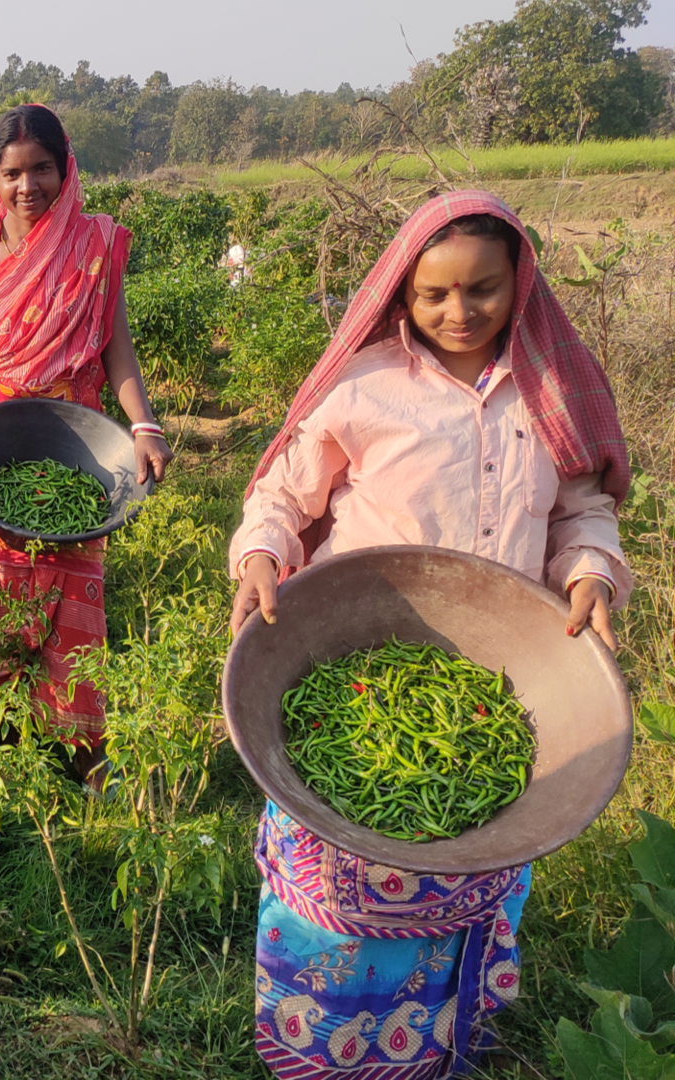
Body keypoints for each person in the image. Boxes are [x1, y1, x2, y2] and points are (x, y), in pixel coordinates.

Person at [228, 191, 629, 1079]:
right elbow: (282, 497)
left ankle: (439, 1049)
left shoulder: (550, 390)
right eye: (433, 295)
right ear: (401, 296)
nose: (459, 312)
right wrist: (262, 556)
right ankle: (320, 1053)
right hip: (360, 661)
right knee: (341, 854)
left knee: (469, 848)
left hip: (492, 682)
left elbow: (583, 511)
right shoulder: (365, 384)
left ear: (518, 282)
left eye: (481, 288)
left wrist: (591, 572)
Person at [0, 104, 173, 778]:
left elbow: (117, 352)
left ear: (65, 171)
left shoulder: (95, 247)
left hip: (72, 442)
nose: (26, 185)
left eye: (41, 169)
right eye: (12, 173)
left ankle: (79, 746)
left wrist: (144, 426)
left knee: (71, 585)